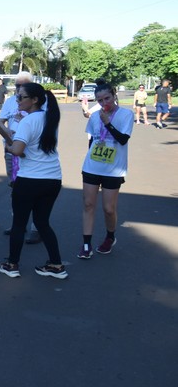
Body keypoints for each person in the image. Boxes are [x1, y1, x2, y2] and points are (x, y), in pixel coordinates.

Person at [0, 83, 67, 279]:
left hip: (30, 179)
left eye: (21, 97)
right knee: (42, 222)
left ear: (34, 100)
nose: (17, 101)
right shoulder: (49, 118)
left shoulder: (28, 121)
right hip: (52, 178)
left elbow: (18, 150)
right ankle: (56, 264)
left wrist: (9, 146)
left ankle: (12, 264)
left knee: (19, 223)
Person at [78, 80, 133, 258]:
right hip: (92, 166)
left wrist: (108, 123)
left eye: (107, 98)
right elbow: (92, 140)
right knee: (88, 204)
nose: (104, 103)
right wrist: (89, 159)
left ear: (114, 95)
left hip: (113, 169)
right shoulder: (95, 116)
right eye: (100, 100)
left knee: (109, 208)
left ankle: (110, 237)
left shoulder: (126, 115)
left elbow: (123, 139)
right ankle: (86, 244)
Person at [0, 71, 39, 242]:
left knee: (34, 189)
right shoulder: (9, 102)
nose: (19, 89)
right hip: (12, 150)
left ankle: (37, 227)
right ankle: (17, 223)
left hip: (31, 152)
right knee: (15, 188)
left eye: (24, 85)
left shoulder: (40, 104)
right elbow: (0, 121)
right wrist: (7, 133)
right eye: (17, 85)